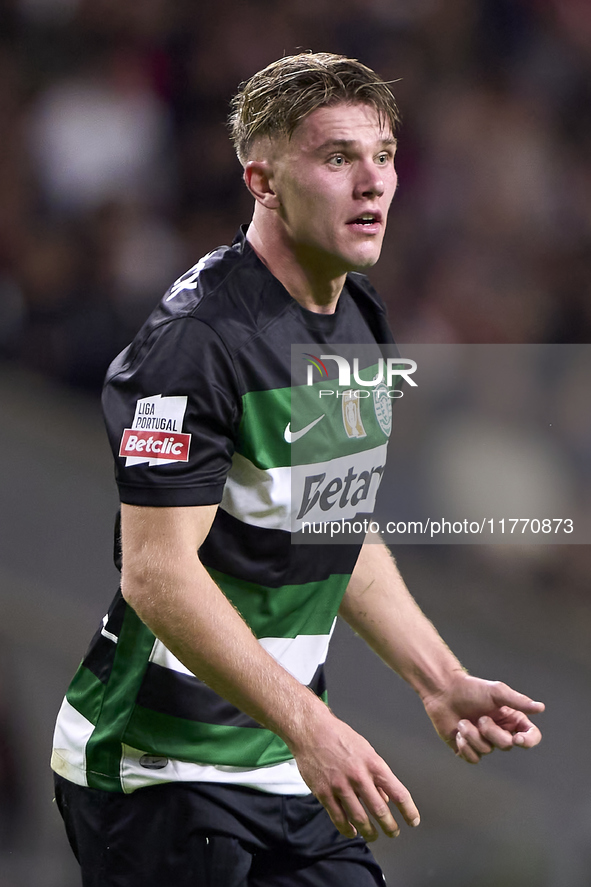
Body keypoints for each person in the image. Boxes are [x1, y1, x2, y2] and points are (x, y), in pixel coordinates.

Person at [51, 52, 544, 887]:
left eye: (382, 156)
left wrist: (439, 679)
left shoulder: (354, 321)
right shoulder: (195, 342)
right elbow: (157, 575)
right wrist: (313, 726)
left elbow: (329, 521)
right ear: (263, 180)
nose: (372, 183)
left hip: (282, 763)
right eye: (337, 156)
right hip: (161, 773)